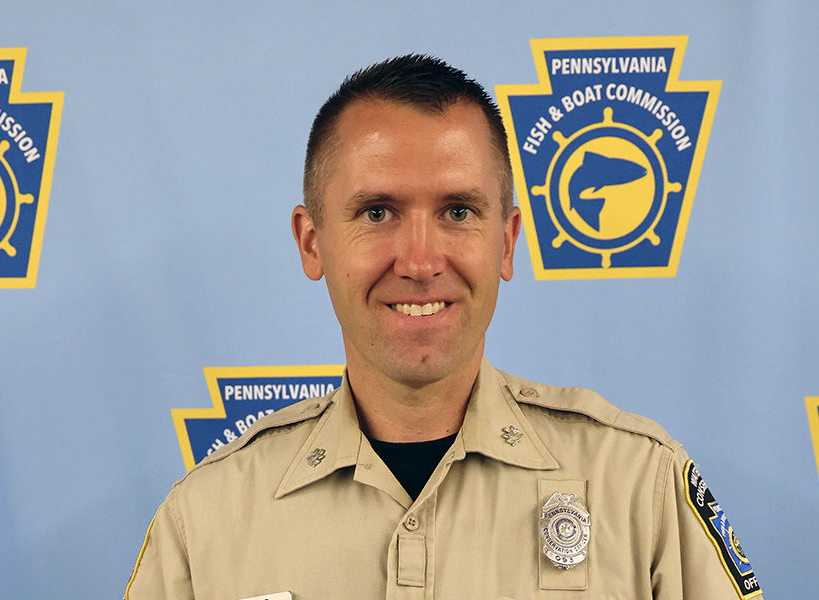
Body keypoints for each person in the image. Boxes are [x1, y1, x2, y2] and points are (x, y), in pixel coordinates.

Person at [126, 54, 762, 600]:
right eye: (377, 212)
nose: (422, 262)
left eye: (459, 210)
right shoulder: (204, 521)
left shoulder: (638, 488)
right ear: (312, 242)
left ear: (507, 242)